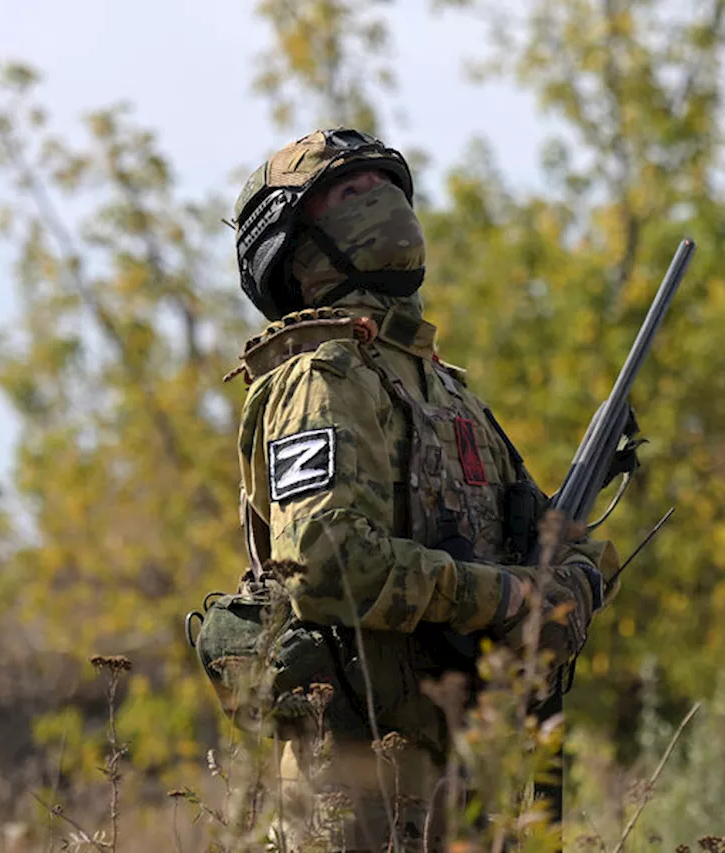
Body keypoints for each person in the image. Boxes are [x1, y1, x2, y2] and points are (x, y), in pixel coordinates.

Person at [227, 127, 619, 852]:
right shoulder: (324, 379)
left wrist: (576, 583)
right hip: (357, 805)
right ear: (294, 247)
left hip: (471, 795)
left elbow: (536, 547)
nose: (375, 196)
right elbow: (328, 563)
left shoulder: (449, 392)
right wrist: (506, 597)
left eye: (384, 183)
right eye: (347, 190)